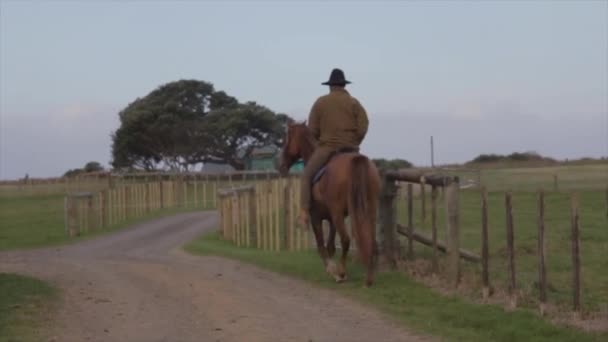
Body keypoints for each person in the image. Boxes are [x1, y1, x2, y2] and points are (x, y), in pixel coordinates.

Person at [298, 68, 369, 227]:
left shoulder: (320, 102)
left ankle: (303, 213)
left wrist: (321, 141)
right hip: (351, 149)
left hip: (328, 148)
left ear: (330, 86)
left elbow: (312, 130)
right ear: (344, 85)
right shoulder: (354, 102)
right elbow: (364, 126)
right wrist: (355, 141)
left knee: (306, 176)